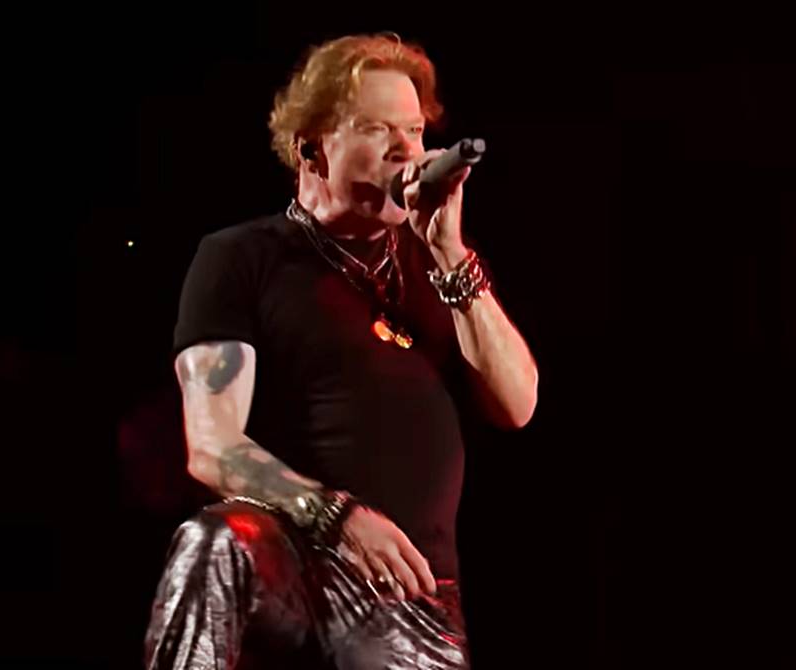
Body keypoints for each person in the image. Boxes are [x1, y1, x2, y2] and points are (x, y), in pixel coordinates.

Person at [144, 33, 538, 669]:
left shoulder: (440, 267)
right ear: (311, 148)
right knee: (215, 542)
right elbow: (212, 445)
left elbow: (518, 404)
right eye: (378, 129)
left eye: (414, 131)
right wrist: (338, 517)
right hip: (290, 562)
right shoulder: (241, 258)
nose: (407, 151)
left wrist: (449, 253)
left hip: (408, 592)